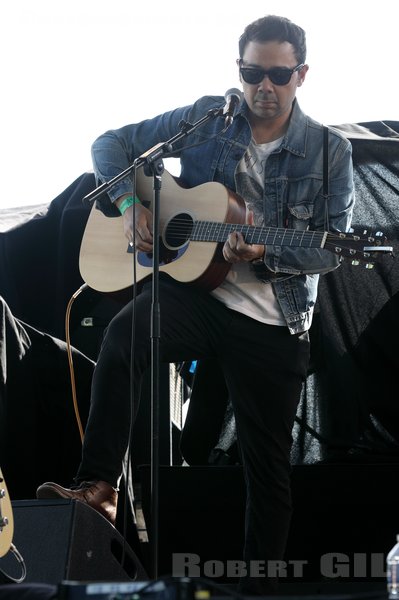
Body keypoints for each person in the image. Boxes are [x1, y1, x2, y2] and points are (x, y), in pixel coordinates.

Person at [37, 15, 355, 594]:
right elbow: (110, 144)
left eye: (278, 74)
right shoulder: (210, 117)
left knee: (267, 471)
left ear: (301, 75)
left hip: (272, 320)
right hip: (197, 295)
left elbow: (330, 247)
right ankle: (99, 490)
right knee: (125, 334)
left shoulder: (329, 151)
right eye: (253, 71)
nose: (265, 85)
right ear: (240, 70)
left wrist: (263, 250)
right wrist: (129, 203)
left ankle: (255, 589)